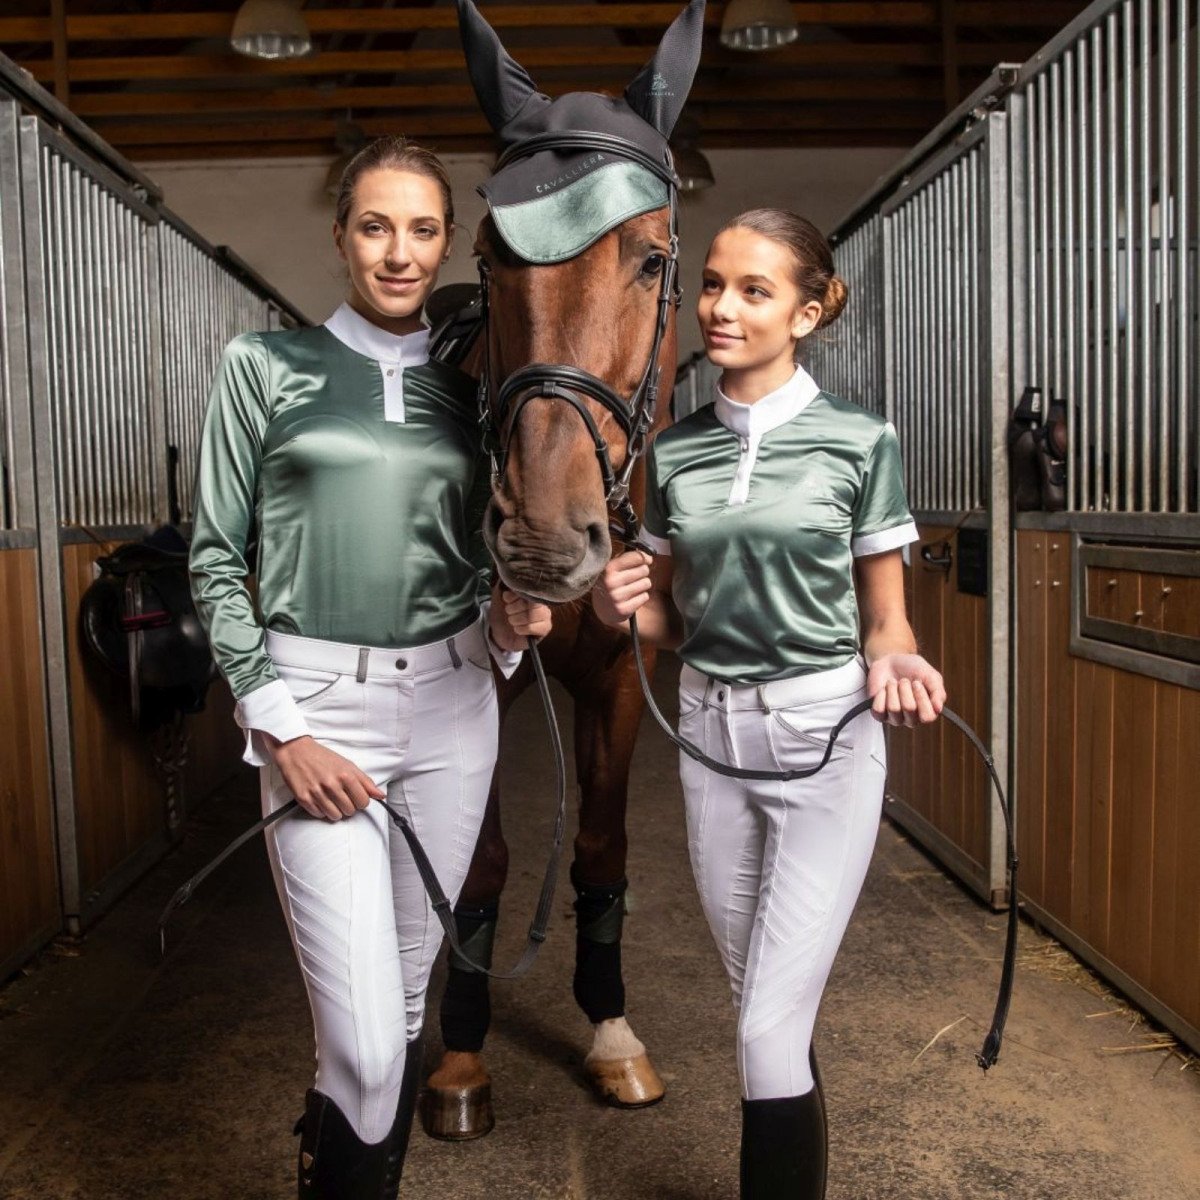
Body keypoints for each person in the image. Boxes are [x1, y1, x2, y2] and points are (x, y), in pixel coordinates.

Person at [188, 136, 551, 1199]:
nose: (400, 253)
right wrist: (281, 728)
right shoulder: (264, 367)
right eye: (377, 226)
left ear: (449, 244)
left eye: (423, 230)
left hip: (452, 709)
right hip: (318, 713)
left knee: (395, 1011)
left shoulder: (474, 398)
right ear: (342, 235)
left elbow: (480, 559)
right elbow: (214, 557)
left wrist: (511, 621)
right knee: (364, 1035)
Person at [593, 208, 946, 1198]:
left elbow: (887, 621)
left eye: (754, 290)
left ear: (807, 311)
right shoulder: (675, 453)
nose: (721, 307)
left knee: (764, 1025)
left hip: (825, 738)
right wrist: (622, 604)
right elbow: (670, 618)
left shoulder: (860, 440)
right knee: (762, 1006)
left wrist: (900, 662)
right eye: (712, 283)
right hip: (710, 739)